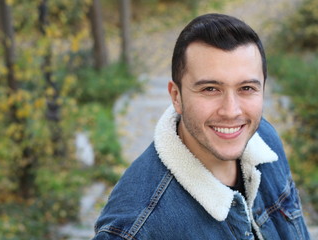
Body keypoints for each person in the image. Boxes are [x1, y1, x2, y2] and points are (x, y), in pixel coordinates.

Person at [93, 13, 310, 240]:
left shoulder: (263, 136)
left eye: (246, 88)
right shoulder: (134, 229)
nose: (231, 111)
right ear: (176, 96)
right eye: (210, 89)